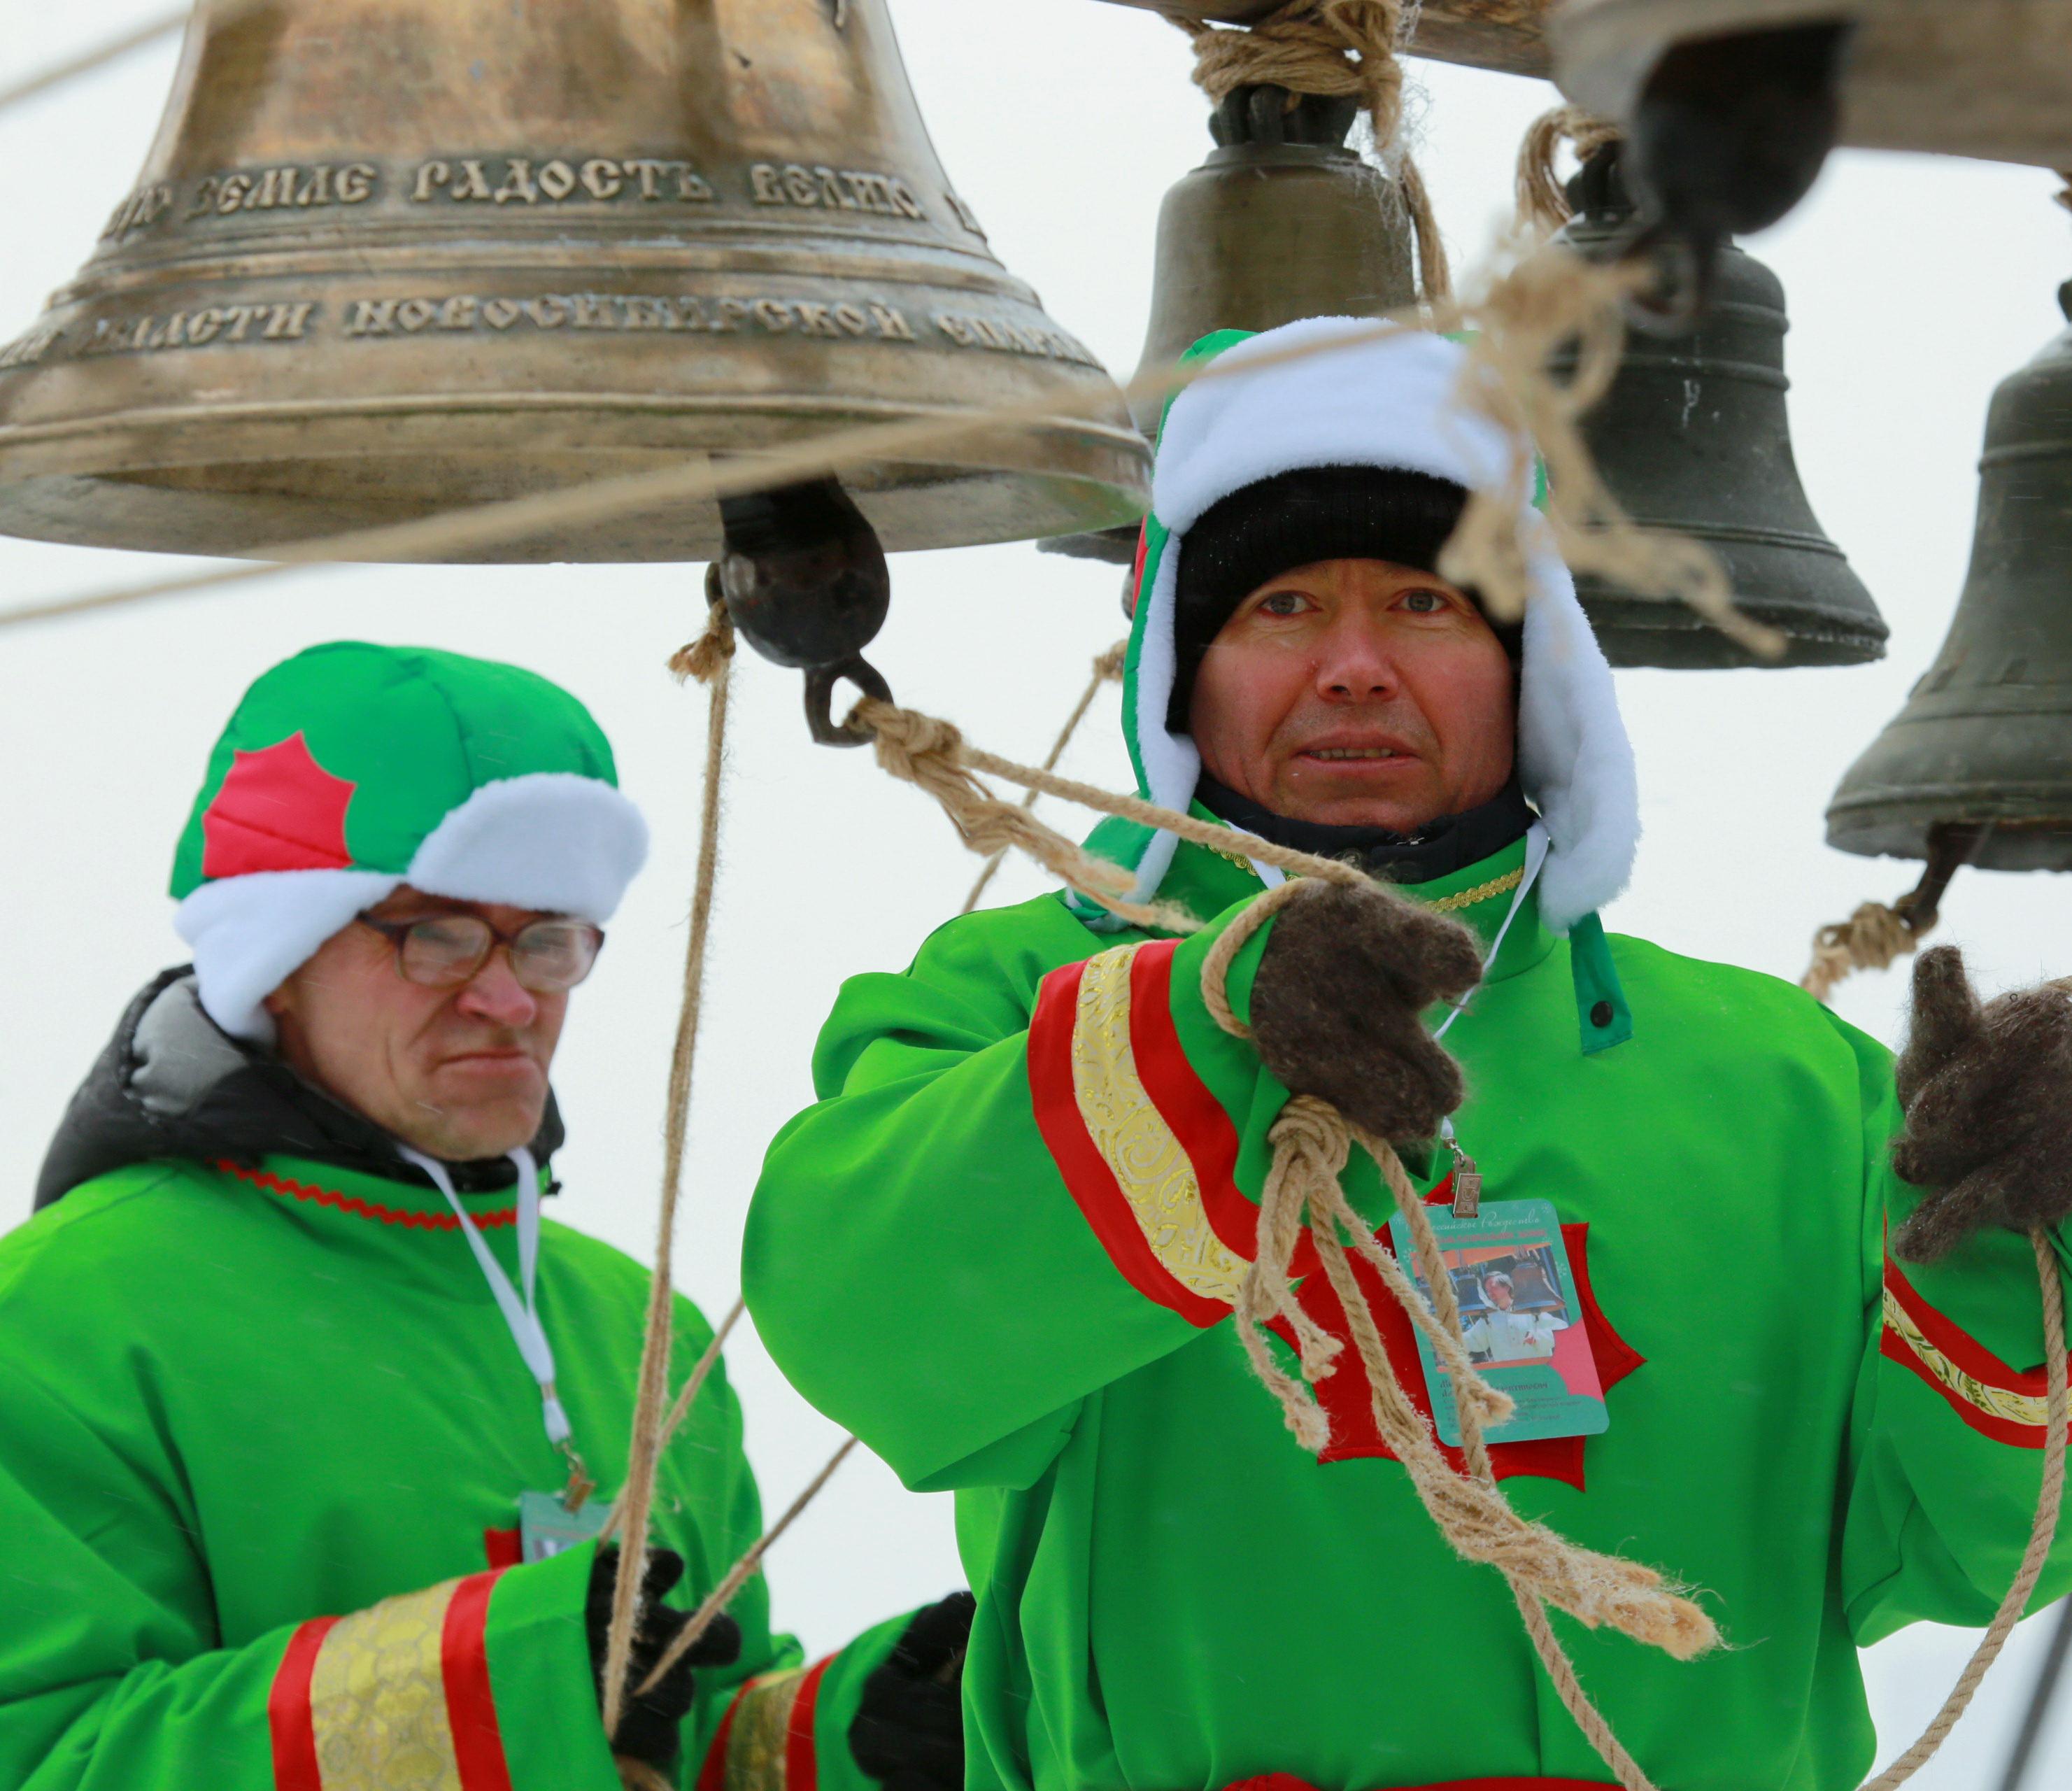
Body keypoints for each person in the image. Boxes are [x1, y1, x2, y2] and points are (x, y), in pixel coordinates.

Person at [744, 320, 2072, 1791]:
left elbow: (1975, 1550)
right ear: (1182, 673)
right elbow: (867, 1323)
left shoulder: (1792, 1084)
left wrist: (2022, 1236)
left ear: (1532, 670)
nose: (1356, 666)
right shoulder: (1023, 998)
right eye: (1285, 604)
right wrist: (1212, 1029)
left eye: (1429, 604)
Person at [0, 642, 968, 1791]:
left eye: (548, 939)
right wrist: (498, 1689)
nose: (511, 999)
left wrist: (838, 1740)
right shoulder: (61, 1317)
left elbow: (667, 1745)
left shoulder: (629, 1319)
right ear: (275, 955)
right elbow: (43, 1757)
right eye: (438, 935)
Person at [1463, 1272, 1562, 1364]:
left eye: (1493, 1288)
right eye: (1488, 1291)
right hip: (1510, 1377)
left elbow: (1561, 1328)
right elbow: (1473, 1339)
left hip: (1540, 1373)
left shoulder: (1529, 1310)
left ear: (1507, 1287)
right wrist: (1449, 1336)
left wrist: (1539, 1336)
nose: (1490, 1294)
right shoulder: (1488, 1318)